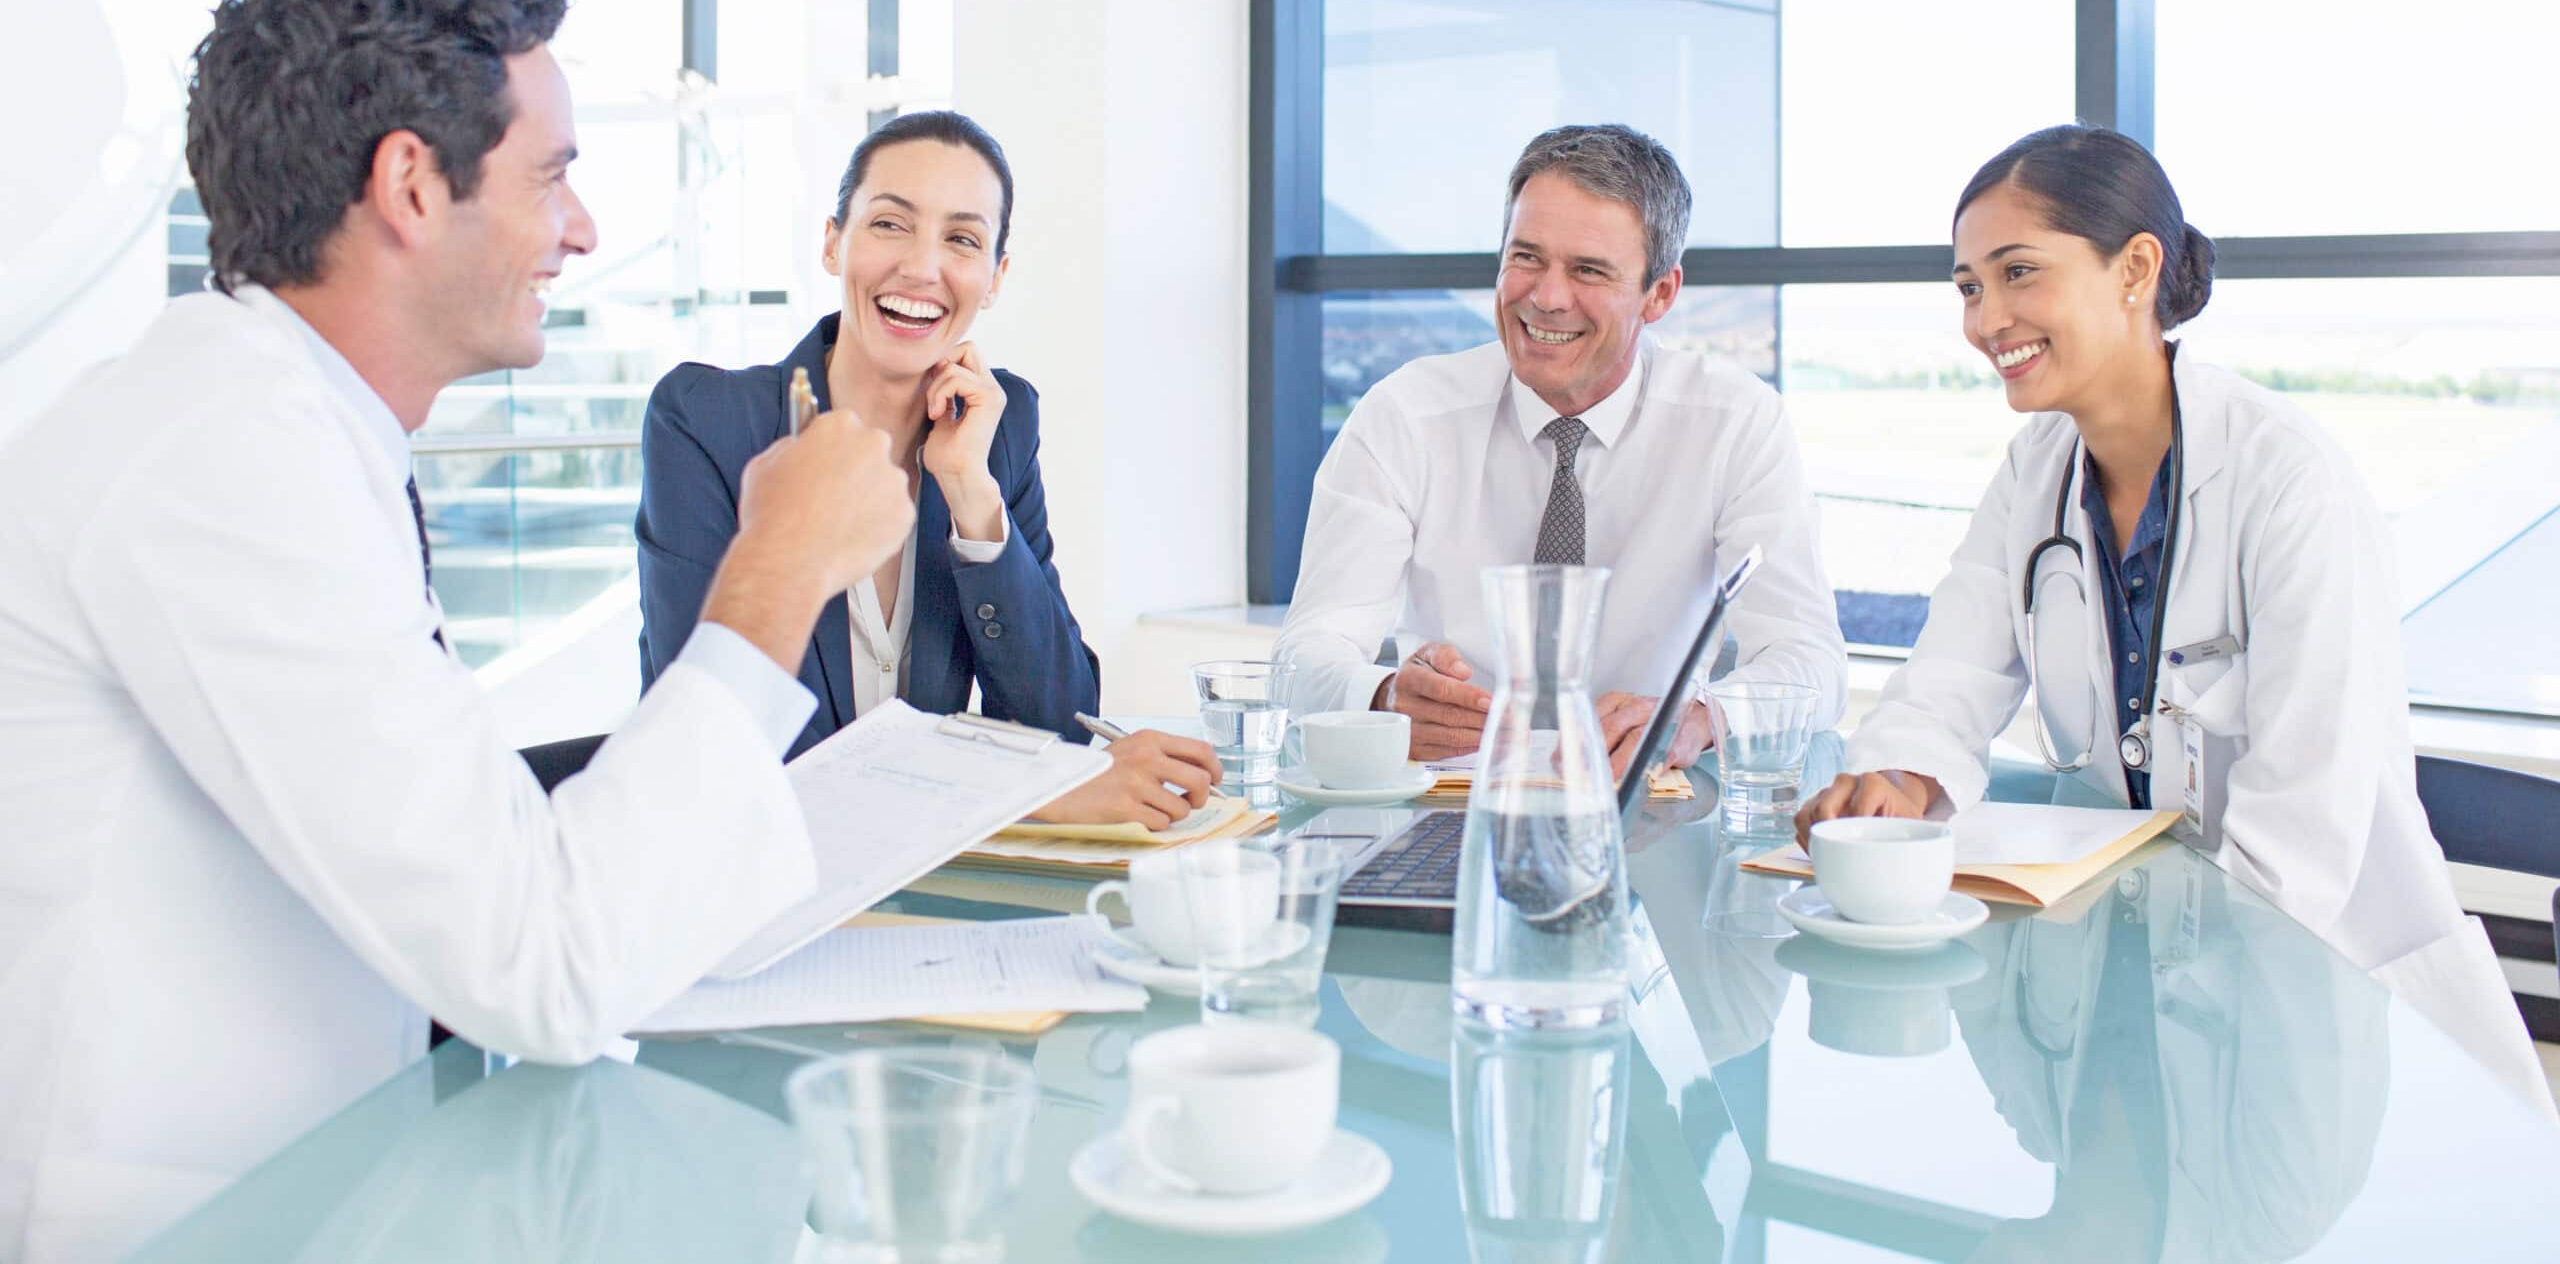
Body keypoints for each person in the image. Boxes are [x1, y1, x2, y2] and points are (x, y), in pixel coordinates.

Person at [0, 0, 913, 1263]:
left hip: (334, 1187)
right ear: (412, 187)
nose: (584, 230)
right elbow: (540, 964)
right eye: (553, 178)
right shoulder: (217, 453)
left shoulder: (286, 425)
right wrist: (779, 566)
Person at [1797, 123, 2552, 1117]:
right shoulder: (2036, 473)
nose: (1985, 320)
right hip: (2131, 973)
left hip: (2310, 984)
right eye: (1968, 286)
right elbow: (1954, 670)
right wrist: (1896, 773)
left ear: (2134, 269)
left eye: (2018, 272)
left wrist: (2170, 979)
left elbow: (2304, 824)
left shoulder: (2288, 479)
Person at [636, 111, 1218, 828]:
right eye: (889, 224)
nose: (921, 267)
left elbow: (1058, 721)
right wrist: (1028, 797)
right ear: (831, 242)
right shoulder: (706, 422)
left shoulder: (999, 428)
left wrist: (973, 496)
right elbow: (728, 752)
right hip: (753, 897)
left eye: (963, 239)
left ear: (995, 277)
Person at [1275, 123, 1847, 776]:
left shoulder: (1736, 423)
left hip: (1646, 807)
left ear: (1659, 293)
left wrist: (1698, 715)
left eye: (1588, 270)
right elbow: (1302, 658)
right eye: (1526, 257)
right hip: (1454, 803)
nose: (1545, 296)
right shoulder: (1405, 415)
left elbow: (1811, 660)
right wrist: (1382, 699)